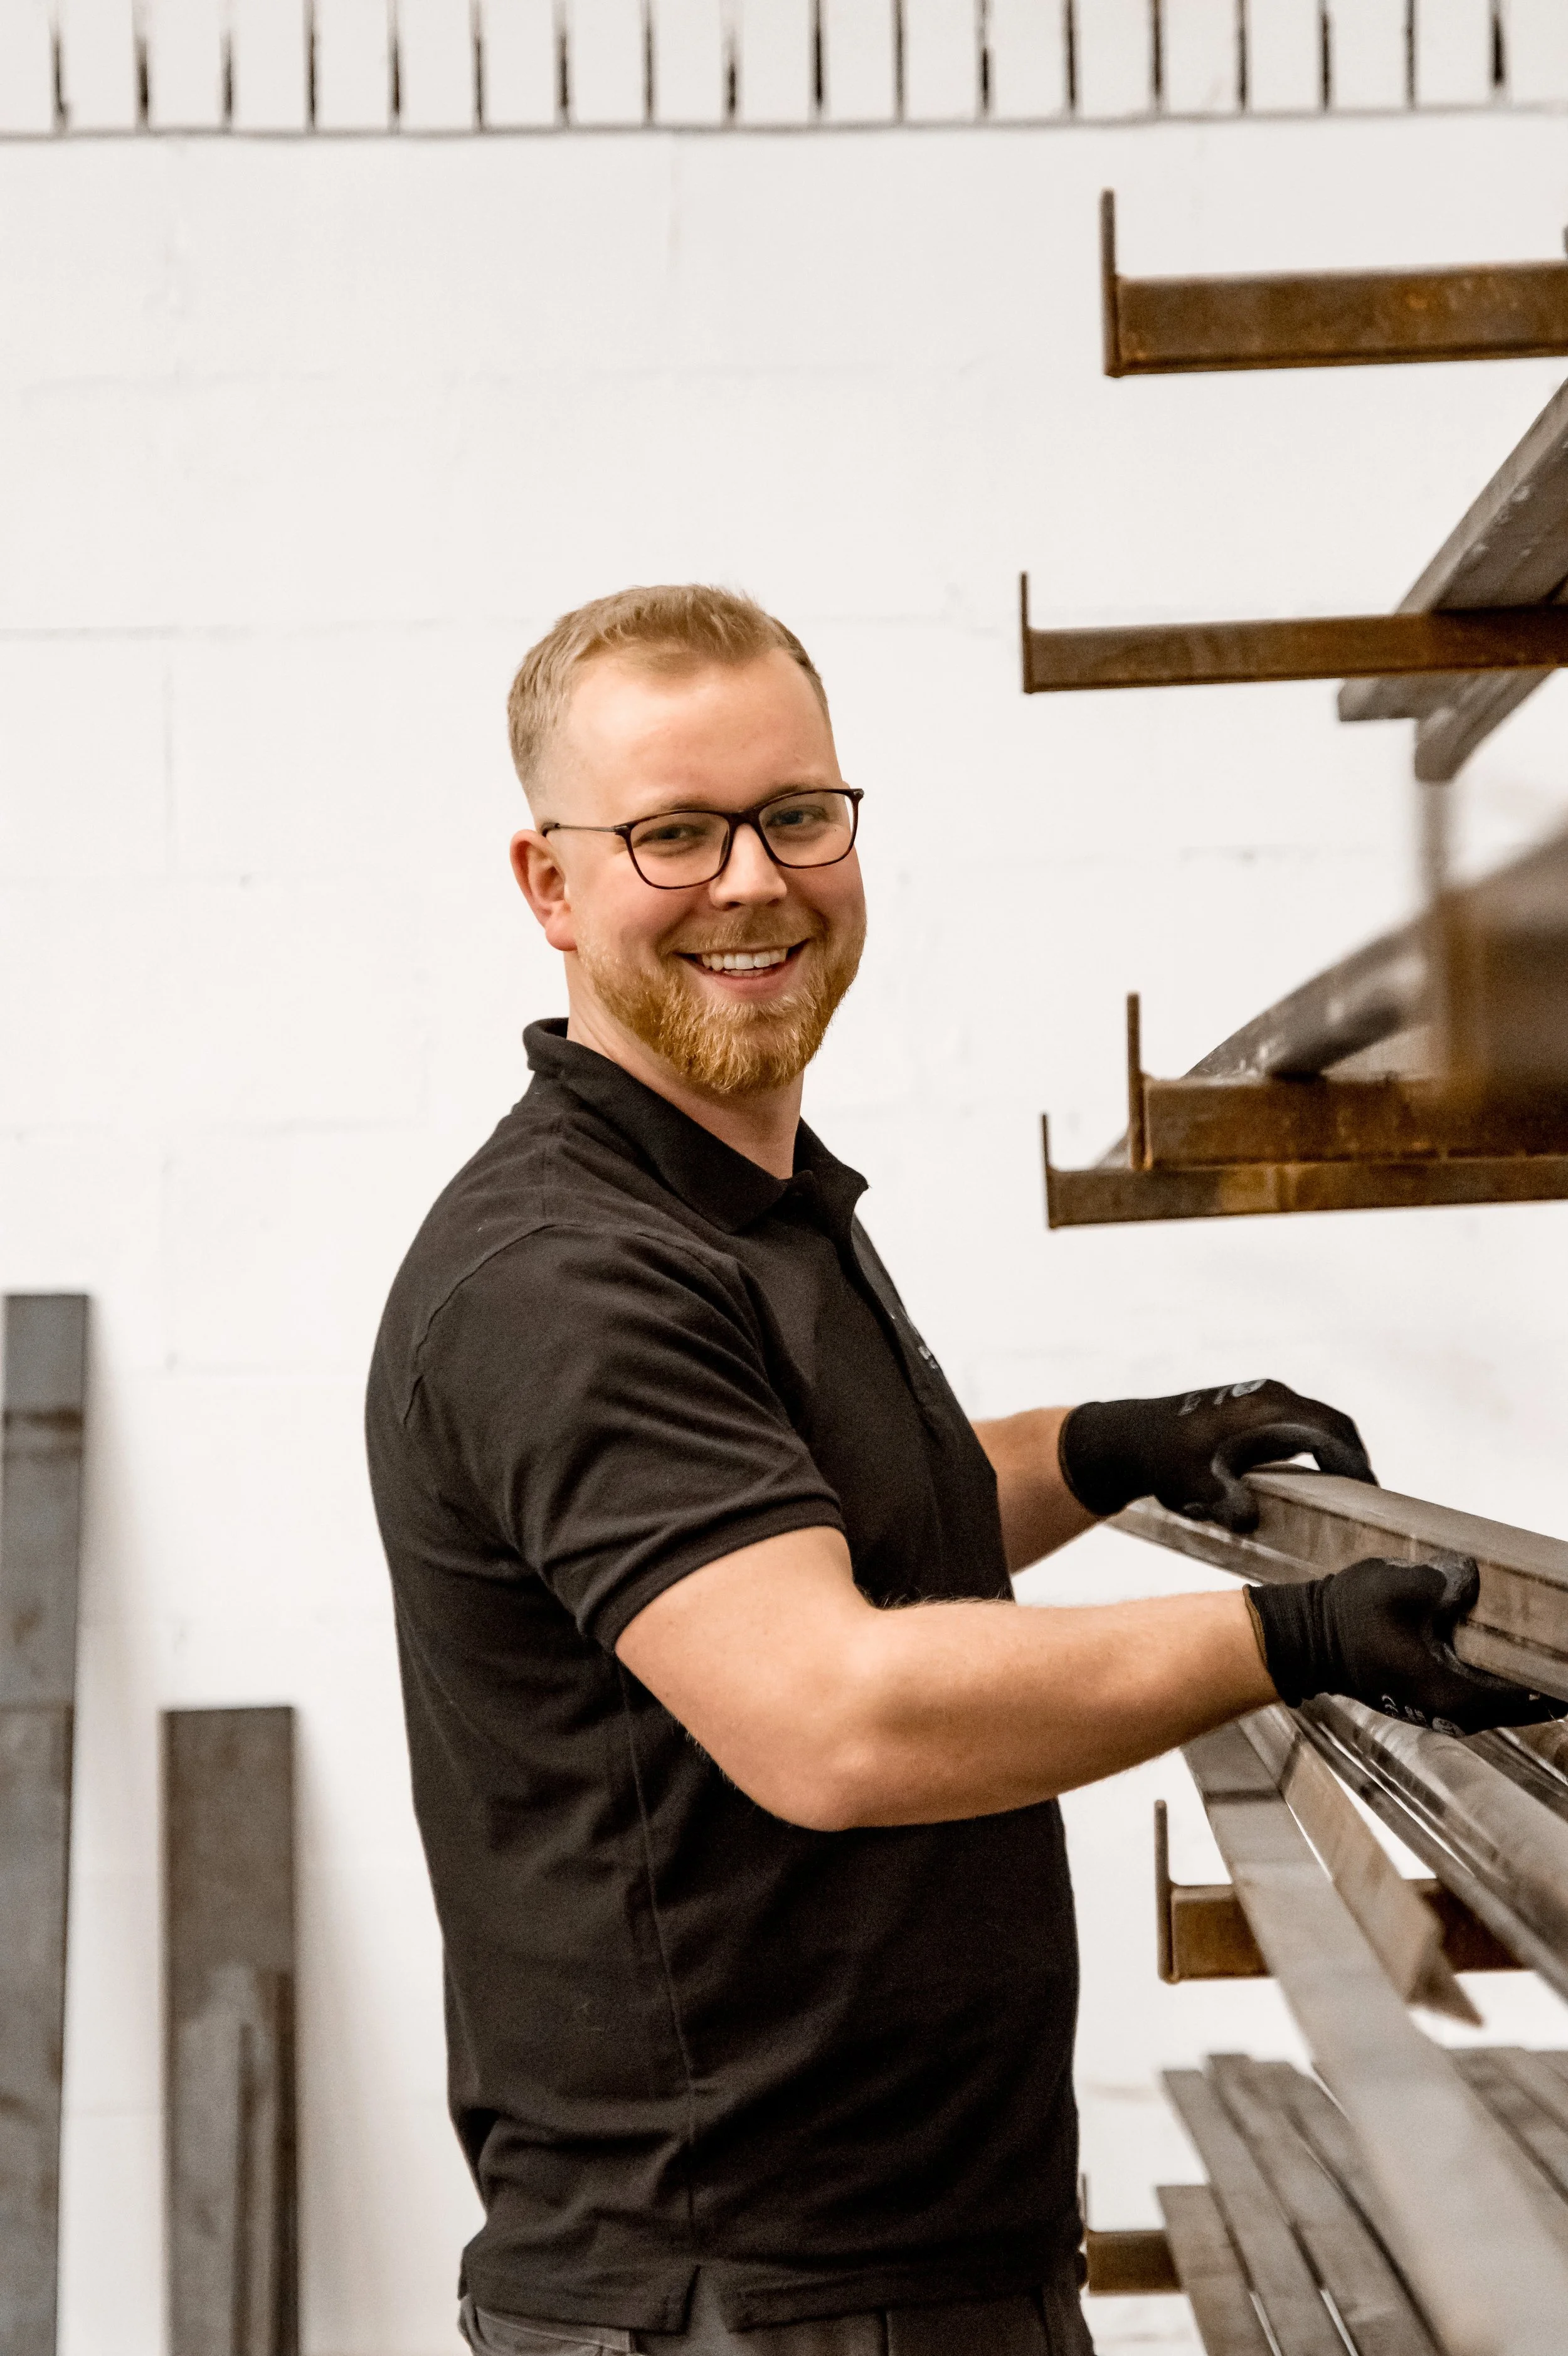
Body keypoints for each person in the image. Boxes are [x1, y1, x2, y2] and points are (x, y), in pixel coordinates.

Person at [365, 585, 1557, 2356]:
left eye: (795, 815)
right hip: (745, 2304)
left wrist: (1102, 1449)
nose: (753, 882)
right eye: (671, 835)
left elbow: (816, 1537)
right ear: (548, 884)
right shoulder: (567, 1277)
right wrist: (1290, 1636)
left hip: (890, 2272)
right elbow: (831, 1706)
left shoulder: (744, 1208)